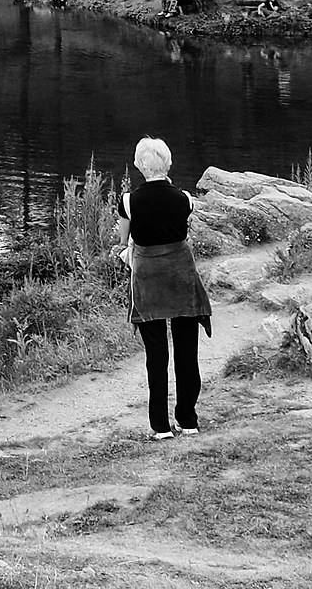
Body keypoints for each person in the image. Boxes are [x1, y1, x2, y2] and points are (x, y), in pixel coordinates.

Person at [117, 136, 212, 439]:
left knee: (156, 356)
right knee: (187, 352)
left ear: (139, 166)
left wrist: (126, 248)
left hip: (148, 283)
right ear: (168, 164)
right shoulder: (185, 198)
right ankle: (188, 420)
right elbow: (182, 231)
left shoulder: (128, 201)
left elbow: (123, 241)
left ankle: (160, 427)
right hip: (181, 278)